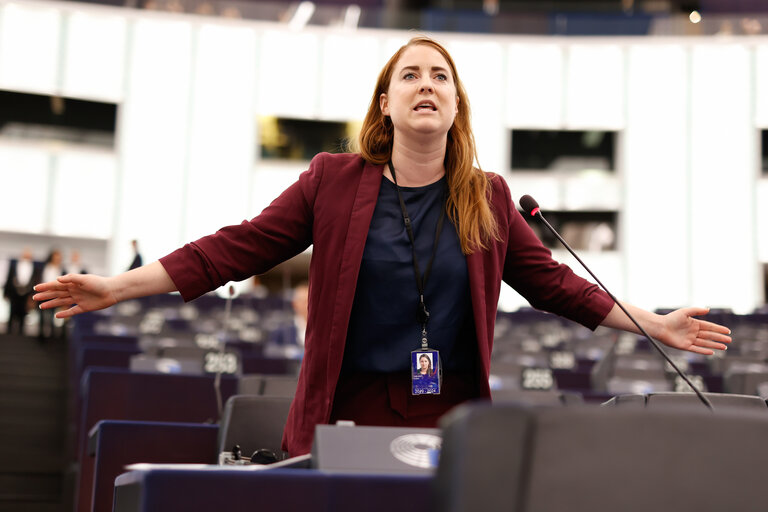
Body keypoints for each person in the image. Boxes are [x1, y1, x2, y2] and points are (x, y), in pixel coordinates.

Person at [33, 36, 732, 456]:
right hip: (345, 408)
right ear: (386, 105)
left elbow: (554, 283)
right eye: (410, 75)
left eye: (440, 77)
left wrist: (653, 323)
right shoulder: (332, 181)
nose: (426, 85)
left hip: (452, 412)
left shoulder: (486, 196)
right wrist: (117, 287)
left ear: (456, 106)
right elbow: (237, 248)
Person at [4, 247, 40, 336]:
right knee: (12, 312)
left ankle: (21, 333)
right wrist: (6, 293)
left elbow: (35, 282)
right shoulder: (15, 265)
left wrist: (32, 296)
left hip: (26, 294)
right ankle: (9, 333)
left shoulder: (34, 268)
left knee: (23, 313)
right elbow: (8, 278)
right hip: (14, 293)